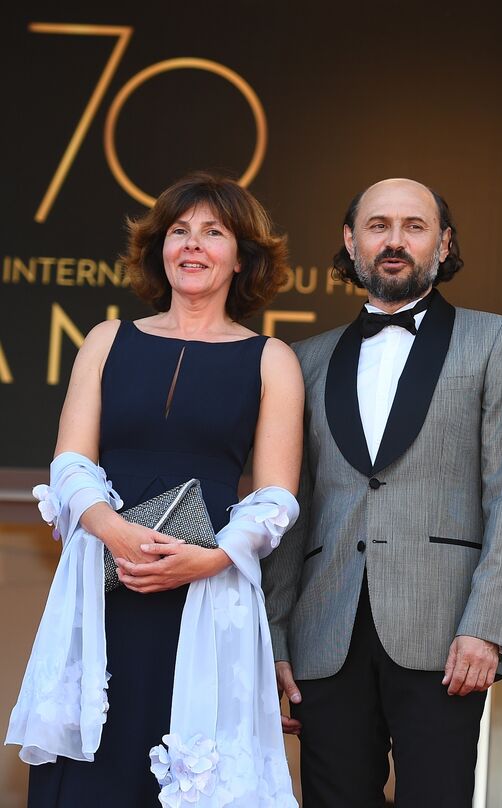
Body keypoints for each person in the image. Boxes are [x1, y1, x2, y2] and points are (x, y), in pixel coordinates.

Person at [8, 171, 303, 806]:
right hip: (103, 586)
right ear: (159, 249)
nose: (192, 246)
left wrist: (213, 558)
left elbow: (277, 497)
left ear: (242, 256)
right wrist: (114, 530)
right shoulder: (106, 340)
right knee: (92, 773)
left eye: (213, 233)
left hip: (203, 597)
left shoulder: (271, 359)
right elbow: (69, 464)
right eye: (179, 232)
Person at [261, 177, 502, 807]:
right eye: (378, 225)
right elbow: (287, 511)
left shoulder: (497, 340)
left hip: (445, 636)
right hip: (323, 638)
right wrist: (273, 640)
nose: (395, 241)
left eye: (414, 227)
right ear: (351, 242)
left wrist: (489, 625)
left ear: (442, 244)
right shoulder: (303, 360)